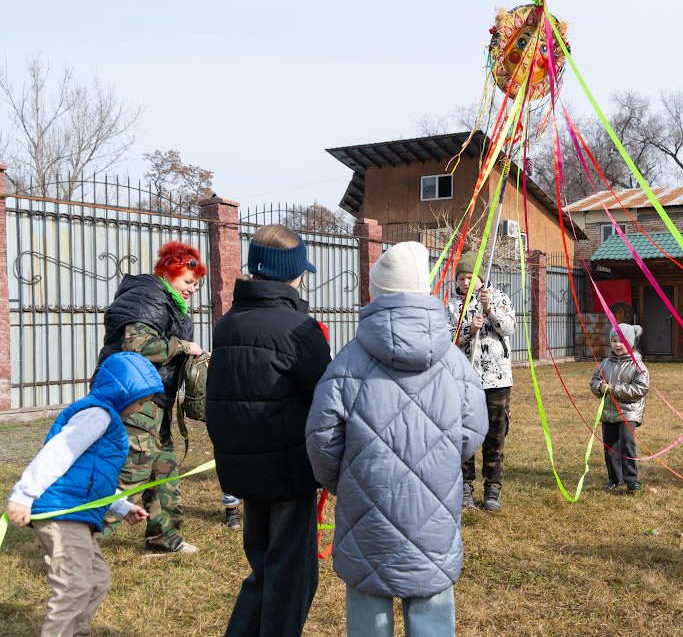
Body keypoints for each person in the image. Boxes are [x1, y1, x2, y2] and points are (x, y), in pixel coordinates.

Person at [306, 241, 488, 637]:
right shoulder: (454, 361)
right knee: (431, 595)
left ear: (376, 293)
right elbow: (474, 429)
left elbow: (322, 438)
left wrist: (345, 482)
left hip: (364, 503)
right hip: (434, 503)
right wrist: (440, 463)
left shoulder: (348, 361)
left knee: (368, 603)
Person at [207, 224, 332, 637]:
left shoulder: (228, 323)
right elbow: (326, 396)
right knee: (291, 580)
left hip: (242, 468)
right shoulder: (298, 329)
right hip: (287, 471)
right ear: (291, 274)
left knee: (262, 570)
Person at [5, 353, 163, 637]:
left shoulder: (105, 418)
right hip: (63, 512)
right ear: (123, 392)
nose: (139, 409)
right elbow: (58, 452)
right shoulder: (97, 414)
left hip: (77, 511)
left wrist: (121, 506)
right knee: (75, 586)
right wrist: (23, 494)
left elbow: (94, 480)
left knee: (97, 581)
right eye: (140, 401)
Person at [97, 241, 207, 553]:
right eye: (188, 282)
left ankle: (164, 540)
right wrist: (185, 348)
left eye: (196, 284)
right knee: (131, 475)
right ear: (168, 274)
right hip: (133, 400)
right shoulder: (148, 296)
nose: (192, 289)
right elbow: (137, 344)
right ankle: (78, 539)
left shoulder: (168, 302)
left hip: (154, 400)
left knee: (163, 470)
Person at [445, 252, 515, 512]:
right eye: (461, 278)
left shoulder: (498, 298)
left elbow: (508, 327)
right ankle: (464, 487)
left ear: (480, 278)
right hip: (463, 380)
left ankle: (492, 488)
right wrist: (468, 330)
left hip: (496, 380)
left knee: (495, 435)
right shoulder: (452, 305)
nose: (465, 282)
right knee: (464, 434)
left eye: (470, 277)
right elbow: (446, 337)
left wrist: (489, 310)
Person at [589, 324, 649, 492]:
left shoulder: (637, 365)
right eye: (614, 341)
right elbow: (594, 381)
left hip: (628, 412)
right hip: (609, 413)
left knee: (626, 442)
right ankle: (614, 478)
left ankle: (632, 479)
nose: (617, 345)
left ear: (630, 344)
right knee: (609, 446)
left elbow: (641, 388)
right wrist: (599, 386)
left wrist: (615, 389)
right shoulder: (605, 364)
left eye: (622, 341)